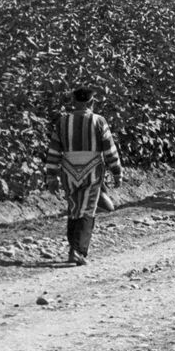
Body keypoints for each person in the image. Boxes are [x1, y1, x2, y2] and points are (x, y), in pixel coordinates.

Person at [44, 87, 123, 266]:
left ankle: (73, 247)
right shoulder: (99, 121)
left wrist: (51, 176)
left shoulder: (63, 121)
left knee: (73, 209)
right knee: (87, 209)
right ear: (91, 103)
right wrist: (117, 172)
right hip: (92, 171)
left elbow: (54, 150)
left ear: (73, 102)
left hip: (68, 171)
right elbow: (110, 150)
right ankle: (78, 251)